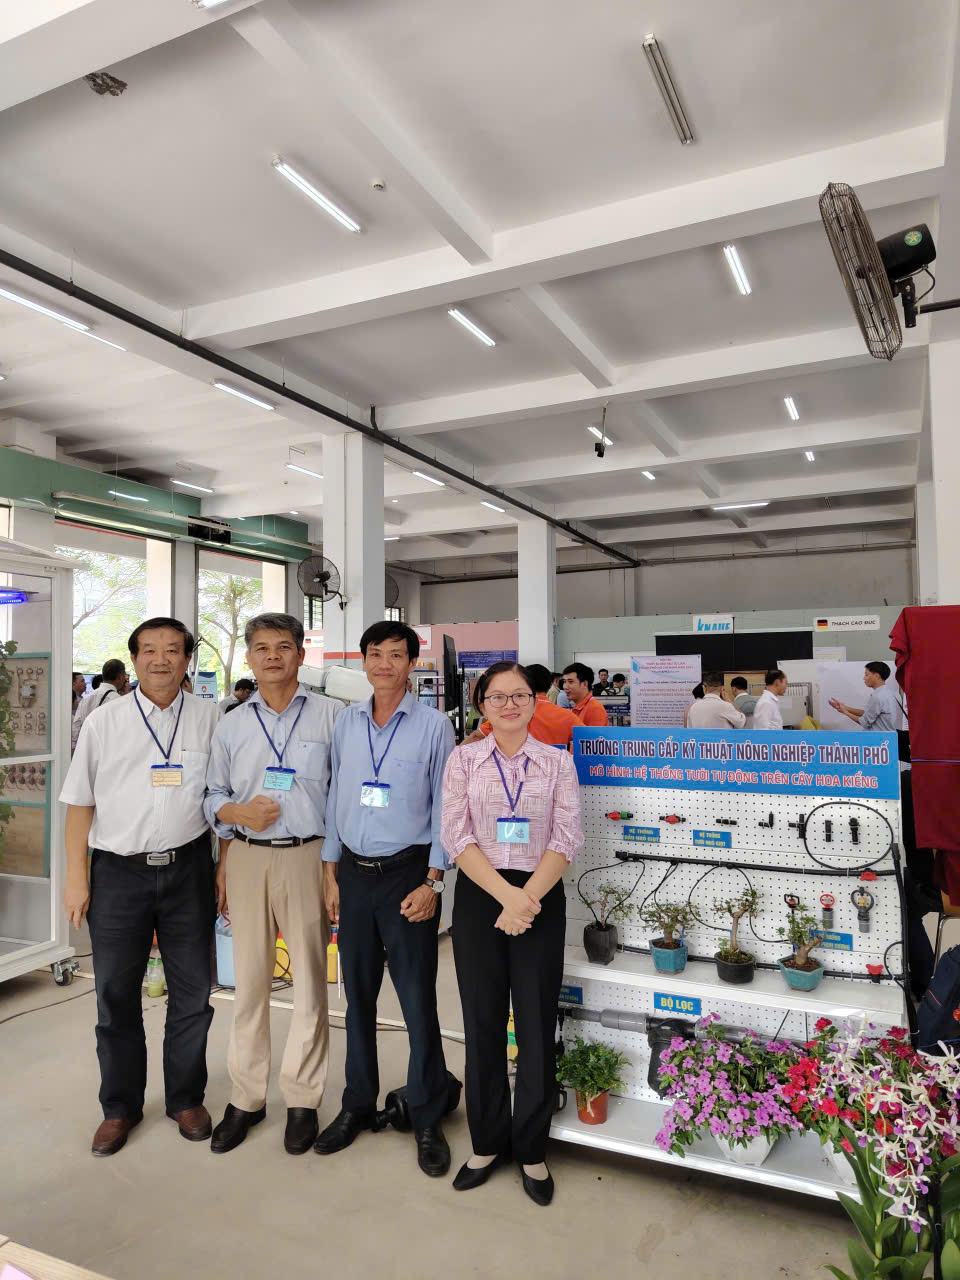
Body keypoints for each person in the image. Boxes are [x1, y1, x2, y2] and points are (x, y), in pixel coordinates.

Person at [60, 618, 218, 1157]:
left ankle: (185, 1099)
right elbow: (79, 804)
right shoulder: (104, 722)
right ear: (133, 660)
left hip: (188, 869)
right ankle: (120, 1106)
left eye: (172, 650)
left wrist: (221, 869)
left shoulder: (210, 719)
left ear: (187, 660)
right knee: (114, 994)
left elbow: (221, 798)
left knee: (193, 993)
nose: (160, 660)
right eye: (149, 650)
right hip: (118, 873)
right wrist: (76, 877)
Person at [441, 661, 582, 1206]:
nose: (508, 705)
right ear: (482, 705)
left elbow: (566, 837)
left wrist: (527, 900)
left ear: (534, 701)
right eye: (497, 696)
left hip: (540, 894)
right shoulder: (464, 759)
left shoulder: (557, 762)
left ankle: (531, 1148)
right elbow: (456, 836)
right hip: (483, 895)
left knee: (535, 1020)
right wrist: (507, 897)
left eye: (519, 695)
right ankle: (486, 1142)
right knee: (482, 1021)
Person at [318, 621, 455, 1177]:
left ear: (412, 664)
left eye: (395, 655)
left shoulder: (434, 726)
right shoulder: (346, 723)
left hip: (408, 876)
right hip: (353, 874)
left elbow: (447, 806)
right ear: (364, 661)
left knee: (417, 999)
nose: (383, 664)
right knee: (358, 998)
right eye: (374, 654)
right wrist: (330, 871)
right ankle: (357, 1104)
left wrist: (434, 881)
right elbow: (336, 796)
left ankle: (426, 1112)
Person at [204, 613, 341, 1157]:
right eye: (261, 648)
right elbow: (213, 795)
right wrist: (235, 822)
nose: (273, 657)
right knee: (249, 983)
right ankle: (247, 1097)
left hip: (308, 855)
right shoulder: (231, 724)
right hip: (246, 857)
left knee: (309, 982)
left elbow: (342, 796)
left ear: (301, 655)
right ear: (250, 658)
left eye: (283, 646)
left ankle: (303, 1099)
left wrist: (332, 870)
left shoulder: (333, 716)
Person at [472, 663, 580, 749]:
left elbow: (475, 738)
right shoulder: (568, 717)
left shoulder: (508, 715)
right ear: (549, 685)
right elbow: (587, 742)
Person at [72, 659, 129, 752]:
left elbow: (75, 728)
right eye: (124, 675)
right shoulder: (118, 701)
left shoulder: (86, 699)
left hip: (87, 749)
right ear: (119, 676)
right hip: (108, 751)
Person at [829, 661, 901, 730]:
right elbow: (868, 713)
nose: (864, 678)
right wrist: (845, 708)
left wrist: (845, 712)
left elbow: (865, 722)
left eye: (866, 675)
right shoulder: (890, 693)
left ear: (876, 676)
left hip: (878, 737)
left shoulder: (878, 697)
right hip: (888, 736)